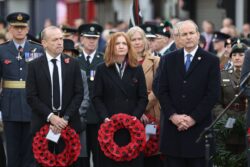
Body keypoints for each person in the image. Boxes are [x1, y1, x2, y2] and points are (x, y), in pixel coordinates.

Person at [157, 20, 220, 167]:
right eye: (184, 34)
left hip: (198, 131)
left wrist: (192, 118)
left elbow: (213, 94)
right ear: (178, 38)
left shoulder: (211, 60)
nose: (188, 37)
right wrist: (173, 116)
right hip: (173, 132)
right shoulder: (168, 59)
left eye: (192, 33)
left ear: (198, 35)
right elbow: (162, 91)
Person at [26, 26, 84, 166]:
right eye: (55, 40)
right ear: (44, 43)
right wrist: (51, 117)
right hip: (43, 123)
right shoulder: (34, 65)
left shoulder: (73, 63)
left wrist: (64, 119)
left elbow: (79, 94)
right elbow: (31, 96)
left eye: (61, 39)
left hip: (68, 123)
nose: (59, 42)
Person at [92, 32, 148, 167]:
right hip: (110, 124)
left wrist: (135, 117)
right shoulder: (102, 69)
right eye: (118, 43)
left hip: (131, 126)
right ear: (111, 47)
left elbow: (143, 97)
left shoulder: (137, 68)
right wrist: (105, 117)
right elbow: (96, 97)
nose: (121, 46)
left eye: (124, 43)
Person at [0, 12, 44, 167]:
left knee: (30, 154)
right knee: (12, 152)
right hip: (9, 107)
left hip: (32, 107)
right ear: (10, 29)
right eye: (16, 27)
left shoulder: (38, 49)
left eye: (22, 27)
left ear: (28, 29)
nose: (19, 30)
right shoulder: (2, 50)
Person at [127, 26, 162, 167]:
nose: (137, 42)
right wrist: (137, 111)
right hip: (131, 113)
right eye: (133, 39)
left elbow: (158, 89)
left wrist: (143, 107)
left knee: (151, 154)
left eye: (140, 39)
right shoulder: (124, 62)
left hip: (152, 112)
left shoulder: (156, 61)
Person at [212, 41, 248, 166]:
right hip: (227, 122)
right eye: (234, 55)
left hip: (247, 121)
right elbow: (215, 102)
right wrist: (223, 117)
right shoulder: (222, 75)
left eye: (241, 55)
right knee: (227, 158)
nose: (237, 57)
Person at [77, 23, 104, 167]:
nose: (92, 41)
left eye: (94, 38)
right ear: (81, 39)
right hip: (81, 116)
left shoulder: (104, 61)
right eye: (88, 38)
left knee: (100, 157)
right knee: (81, 158)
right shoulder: (75, 62)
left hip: (99, 117)